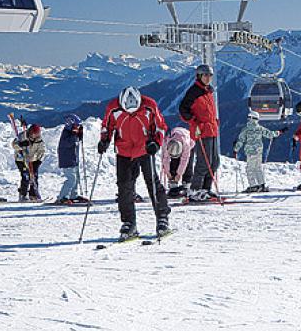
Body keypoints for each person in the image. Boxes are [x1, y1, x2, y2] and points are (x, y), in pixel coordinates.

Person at [98, 86, 169, 239]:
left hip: (145, 149)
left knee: (152, 183)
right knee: (124, 187)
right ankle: (129, 223)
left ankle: (162, 218)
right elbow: (107, 126)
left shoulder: (149, 105)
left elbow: (160, 126)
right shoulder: (113, 108)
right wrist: (104, 141)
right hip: (123, 151)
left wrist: (156, 143)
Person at [178, 64, 221, 198]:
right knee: (204, 162)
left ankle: (205, 189)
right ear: (199, 76)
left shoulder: (208, 91)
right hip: (201, 131)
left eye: (210, 76)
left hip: (212, 130)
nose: (208, 78)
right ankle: (195, 190)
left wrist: (215, 121)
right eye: (205, 75)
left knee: (214, 161)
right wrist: (193, 121)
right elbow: (183, 109)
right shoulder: (194, 92)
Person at [234, 111, 280, 193]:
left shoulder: (246, 129)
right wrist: (279, 132)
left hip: (250, 152)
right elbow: (270, 134)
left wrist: (235, 149)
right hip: (259, 151)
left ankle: (253, 186)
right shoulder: (260, 128)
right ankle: (261, 185)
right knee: (258, 168)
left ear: (250, 118)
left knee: (250, 169)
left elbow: (241, 140)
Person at [55, 115, 88, 204]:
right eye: (76, 126)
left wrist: (79, 135)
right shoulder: (66, 134)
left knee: (76, 178)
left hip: (73, 159)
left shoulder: (72, 133)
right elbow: (67, 144)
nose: (78, 127)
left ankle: (73, 195)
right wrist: (74, 135)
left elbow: (76, 142)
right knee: (71, 179)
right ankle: (63, 197)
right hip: (67, 160)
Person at [161, 126, 197, 202]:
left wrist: (179, 174)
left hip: (190, 141)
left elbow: (184, 160)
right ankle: (173, 183)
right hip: (175, 140)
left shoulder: (186, 145)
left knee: (188, 165)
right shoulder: (167, 143)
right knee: (174, 163)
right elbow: (165, 159)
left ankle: (186, 184)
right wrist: (168, 173)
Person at [13, 123, 46, 202]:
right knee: (26, 176)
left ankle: (33, 194)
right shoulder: (22, 136)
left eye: (37, 134)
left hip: (33, 160)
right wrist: (21, 145)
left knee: (34, 176)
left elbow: (42, 151)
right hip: (21, 160)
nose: (35, 136)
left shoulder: (39, 140)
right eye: (34, 134)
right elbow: (14, 145)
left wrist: (38, 160)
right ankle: (23, 195)